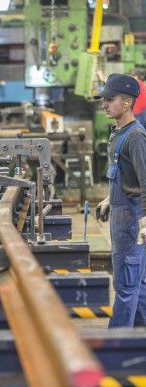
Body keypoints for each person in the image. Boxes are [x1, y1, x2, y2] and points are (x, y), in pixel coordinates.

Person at [95, 73, 146, 328]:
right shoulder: (118, 133)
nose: (104, 104)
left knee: (126, 284)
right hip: (121, 214)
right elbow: (130, 177)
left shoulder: (136, 136)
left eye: (109, 99)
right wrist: (109, 198)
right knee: (138, 281)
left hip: (132, 221)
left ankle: (117, 346)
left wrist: (145, 219)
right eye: (103, 99)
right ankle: (138, 338)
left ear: (127, 102)